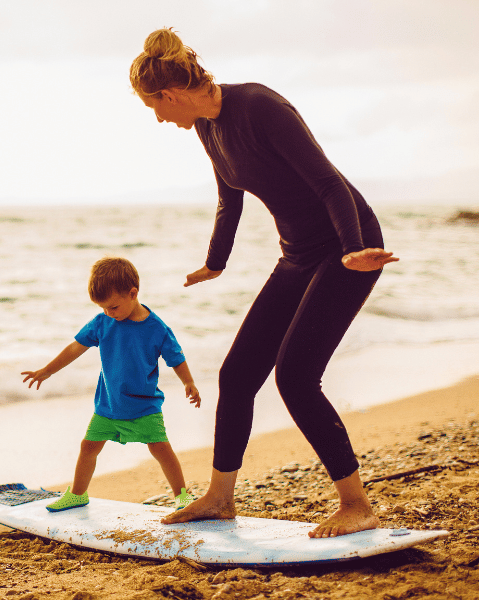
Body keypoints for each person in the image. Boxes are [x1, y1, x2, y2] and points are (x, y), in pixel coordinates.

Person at [129, 28, 399, 538]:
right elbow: (230, 198)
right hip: (296, 255)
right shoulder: (208, 128)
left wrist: (352, 250)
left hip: (348, 247)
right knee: (236, 376)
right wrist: (215, 262)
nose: (161, 120)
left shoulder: (260, 106)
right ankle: (219, 499)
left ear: (169, 94)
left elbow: (328, 182)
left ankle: (356, 504)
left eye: (155, 109)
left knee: (295, 376)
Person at [21, 256, 202, 512]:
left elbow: (176, 358)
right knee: (88, 447)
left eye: (113, 307)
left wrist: (189, 382)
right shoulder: (102, 322)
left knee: (161, 449)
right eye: (103, 308)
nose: (108, 313)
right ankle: (78, 494)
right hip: (108, 405)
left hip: (144, 406)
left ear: (132, 293)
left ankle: (182, 496)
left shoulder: (157, 328)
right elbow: (75, 348)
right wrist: (47, 371)